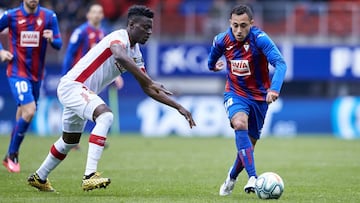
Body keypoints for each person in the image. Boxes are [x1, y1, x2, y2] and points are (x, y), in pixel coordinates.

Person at [27, 5, 196, 192]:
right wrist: (149, 80)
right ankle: (89, 175)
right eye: (145, 27)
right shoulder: (118, 38)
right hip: (73, 87)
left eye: (151, 28)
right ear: (131, 25)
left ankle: (39, 177)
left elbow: (149, 88)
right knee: (106, 116)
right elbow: (120, 56)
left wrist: (178, 106)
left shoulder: (135, 52)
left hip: (81, 92)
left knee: (69, 141)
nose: (149, 32)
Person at [207, 4, 287, 196]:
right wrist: (213, 66)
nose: (238, 30)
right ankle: (253, 177)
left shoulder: (260, 39)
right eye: (235, 25)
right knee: (239, 123)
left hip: (260, 98)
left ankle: (231, 177)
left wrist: (274, 89)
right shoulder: (222, 40)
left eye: (243, 25)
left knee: (248, 147)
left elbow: (280, 63)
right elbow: (211, 60)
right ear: (230, 23)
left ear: (251, 23)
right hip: (235, 93)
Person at [0, 0, 62, 173]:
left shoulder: (49, 16)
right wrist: (1, 51)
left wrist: (52, 39)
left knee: (23, 113)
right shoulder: (11, 16)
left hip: (37, 75)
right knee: (30, 110)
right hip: (16, 72)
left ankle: (8, 156)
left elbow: (59, 44)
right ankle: (12, 154)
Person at [62, 3, 122, 150]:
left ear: (102, 16)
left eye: (99, 12)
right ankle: (71, 140)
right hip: (79, 78)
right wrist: (65, 74)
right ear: (88, 15)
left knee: (92, 109)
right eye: (93, 12)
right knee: (80, 109)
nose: (96, 15)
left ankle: (91, 137)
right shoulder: (81, 32)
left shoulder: (103, 33)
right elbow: (69, 54)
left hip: (94, 77)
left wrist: (116, 76)